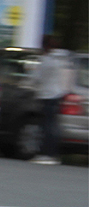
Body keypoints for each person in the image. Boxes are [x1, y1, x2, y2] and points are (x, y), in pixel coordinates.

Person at [29, 35, 73, 165]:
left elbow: (37, 78)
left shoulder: (46, 60)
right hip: (57, 94)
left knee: (46, 126)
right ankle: (53, 154)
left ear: (45, 46)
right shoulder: (61, 58)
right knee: (53, 126)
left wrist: (28, 82)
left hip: (47, 95)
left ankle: (45, 155)